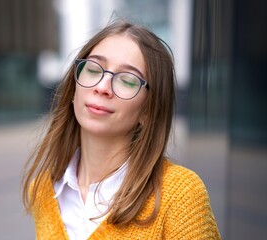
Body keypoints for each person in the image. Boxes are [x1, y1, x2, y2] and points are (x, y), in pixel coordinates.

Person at [22, 20, 221, 239]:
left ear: (148, 110)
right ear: (73, 88)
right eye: (93, 69)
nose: (102, 87)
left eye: (127, 80)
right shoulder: (43, 189)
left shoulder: (180, 195)